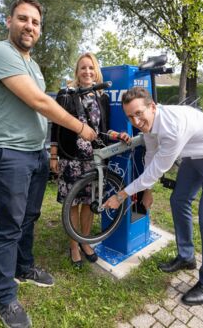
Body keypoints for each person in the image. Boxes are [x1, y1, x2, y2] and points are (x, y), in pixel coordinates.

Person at [0, 0, 97, 328]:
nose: (29, 26)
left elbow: (36, 107)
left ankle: (24, 266)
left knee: (30, 216)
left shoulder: (32, 65)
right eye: (23, 19)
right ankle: (4, 297)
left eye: (35, 22)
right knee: (9, 225)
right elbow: (36, 101)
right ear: (9, 21)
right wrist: (80, 128)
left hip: (34, 153)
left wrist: (48, 152)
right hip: (8, 153)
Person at [103, 86, 203, 306]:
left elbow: (157, 169)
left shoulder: (171, 127)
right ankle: (186, 257)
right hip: (193, 155)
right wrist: (147, 190)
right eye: (130, 116)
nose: (135, 121)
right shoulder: (149, 125)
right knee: (178, 200)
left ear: (152, 107)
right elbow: (151, 155)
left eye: (139, 113)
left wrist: (121, 195)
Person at [50, 52, 130, 269]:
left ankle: (85, 242)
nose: (87, 72)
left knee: (89, 203)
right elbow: (55, 125)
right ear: (77, 72)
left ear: (96, 72)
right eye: (83, 68)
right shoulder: (65, 94)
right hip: (70, 158)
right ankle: (74, 246)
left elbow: (104, 129)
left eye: (91, 68)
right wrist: (54, 154)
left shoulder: (101, 97)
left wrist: (118, 135)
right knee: (72, 205)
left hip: (95, 160)